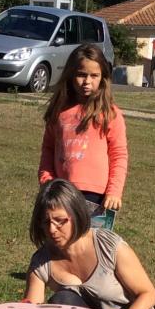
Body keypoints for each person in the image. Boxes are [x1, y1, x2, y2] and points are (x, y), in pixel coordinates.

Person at [24, 179, 155, 309]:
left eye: (60, 220)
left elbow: (148, 294)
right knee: (62, 299)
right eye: (46, 222)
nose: (52, 229)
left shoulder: (109, 246)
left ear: (77, 214)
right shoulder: (41, 262)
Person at [38, 44, 129, 223]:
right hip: (62, 192)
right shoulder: (59, 112)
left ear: (103, 78)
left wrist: (114, 191)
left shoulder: (111, 114)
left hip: (97, 198)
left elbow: (119, 155)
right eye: (81, 74)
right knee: (62, 245)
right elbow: (48, 150)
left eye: (94, 75)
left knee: (91, 248)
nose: (87, 81)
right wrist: (47, 181)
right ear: (71, 75)